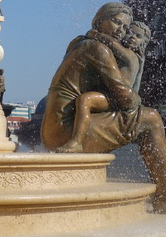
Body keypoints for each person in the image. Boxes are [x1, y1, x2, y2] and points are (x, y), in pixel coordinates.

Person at [41, 3, 166, 214]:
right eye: (116, 22)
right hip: (65, 131)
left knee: (142, 115)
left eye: (125, 27)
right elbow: (126, 100)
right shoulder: (98, 49)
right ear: (99, 21)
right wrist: (134, 95)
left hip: (54, 129)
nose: (121, 30)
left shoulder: (79, 43)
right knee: (151, 118)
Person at [64, 21, 151, 153]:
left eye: (138, 36)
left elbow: (113, 44)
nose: (133, 37)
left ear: (144, 42)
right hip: (118, 97)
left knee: (85, 100)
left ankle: (76, 141)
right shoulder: (138, 58)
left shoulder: (129, 55)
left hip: (117, 98)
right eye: (131, 33)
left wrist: (96, 34)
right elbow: (137, 84)